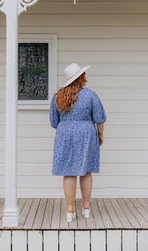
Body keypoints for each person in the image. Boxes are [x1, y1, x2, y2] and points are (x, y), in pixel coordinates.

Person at [49, 63, 107, 222]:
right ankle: (86, 207)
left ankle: (70, 209)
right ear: (80, 77)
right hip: (87, 134)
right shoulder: (90, 95)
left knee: (69, 172)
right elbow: (100, 119)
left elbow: (54, 122)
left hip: (65, 134)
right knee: (86, 170)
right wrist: (100, 134)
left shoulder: (57, 96)